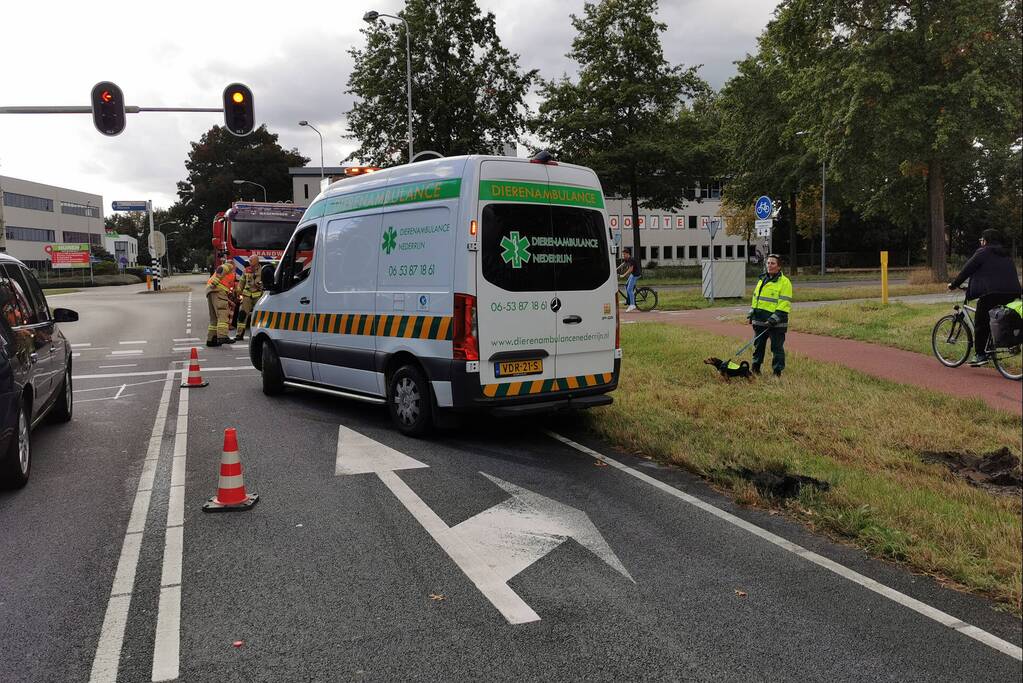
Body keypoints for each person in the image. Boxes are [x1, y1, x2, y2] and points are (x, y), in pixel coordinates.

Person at [948, 229, 1023, 365]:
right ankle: (1011, 345)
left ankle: (980, 355)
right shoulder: (1005, 254)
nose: (981, 243)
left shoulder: (983, 252)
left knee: (981, 322)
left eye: (981, 240)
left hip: (992, 293)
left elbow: (967, 269)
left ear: (985, 240)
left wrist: (954, 284)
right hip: (1012, 292)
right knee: (1001, 317)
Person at [747, 254, 793, 377]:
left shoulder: (785, 282)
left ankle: (777, 372)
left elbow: (784, 304)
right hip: (760, 321)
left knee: (776, 349)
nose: (769, 265)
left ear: (779, 267)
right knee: (758, 347)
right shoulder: (762, 279)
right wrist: (752, 313)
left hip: (776, 323)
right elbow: (756, 299)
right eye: (768, 263)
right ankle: (755, 369)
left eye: (772, 263)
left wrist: (773, 319)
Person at [206, 261, 237, 347]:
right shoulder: (229, 266)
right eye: (235, 268)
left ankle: (212, 339)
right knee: (223, 314)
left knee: (214, 318)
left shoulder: (227, 274)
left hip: (211, 291)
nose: (235, 270)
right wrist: (215, 282)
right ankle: (222, 336)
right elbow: (221, 269)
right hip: (217, 289)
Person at [234, 255, 264, 342]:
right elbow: (241, 282)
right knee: (242, 314)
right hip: (247, 296)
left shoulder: (263, 271)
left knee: (260, 316)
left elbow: (266, 283)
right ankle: (239, 334)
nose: (249, 262)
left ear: (257, 261)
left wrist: (262, 286)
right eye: (249, 260)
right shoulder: (246, 270)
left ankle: (260, 335)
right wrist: (238, 290)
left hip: (258, 296)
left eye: (251, 260)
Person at [618, 247, 642, 313]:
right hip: (633, 274)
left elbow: (630, 269)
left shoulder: (631, 259)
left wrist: (623, 275)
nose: (623, 256)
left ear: (628, 254)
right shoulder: (627, 259)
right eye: (623, 254)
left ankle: (632, 305)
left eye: (624, 254)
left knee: (629, 289)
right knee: (626, 285)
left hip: (636, 275)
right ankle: (628, 300)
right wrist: (616, 268)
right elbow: (623, 264)